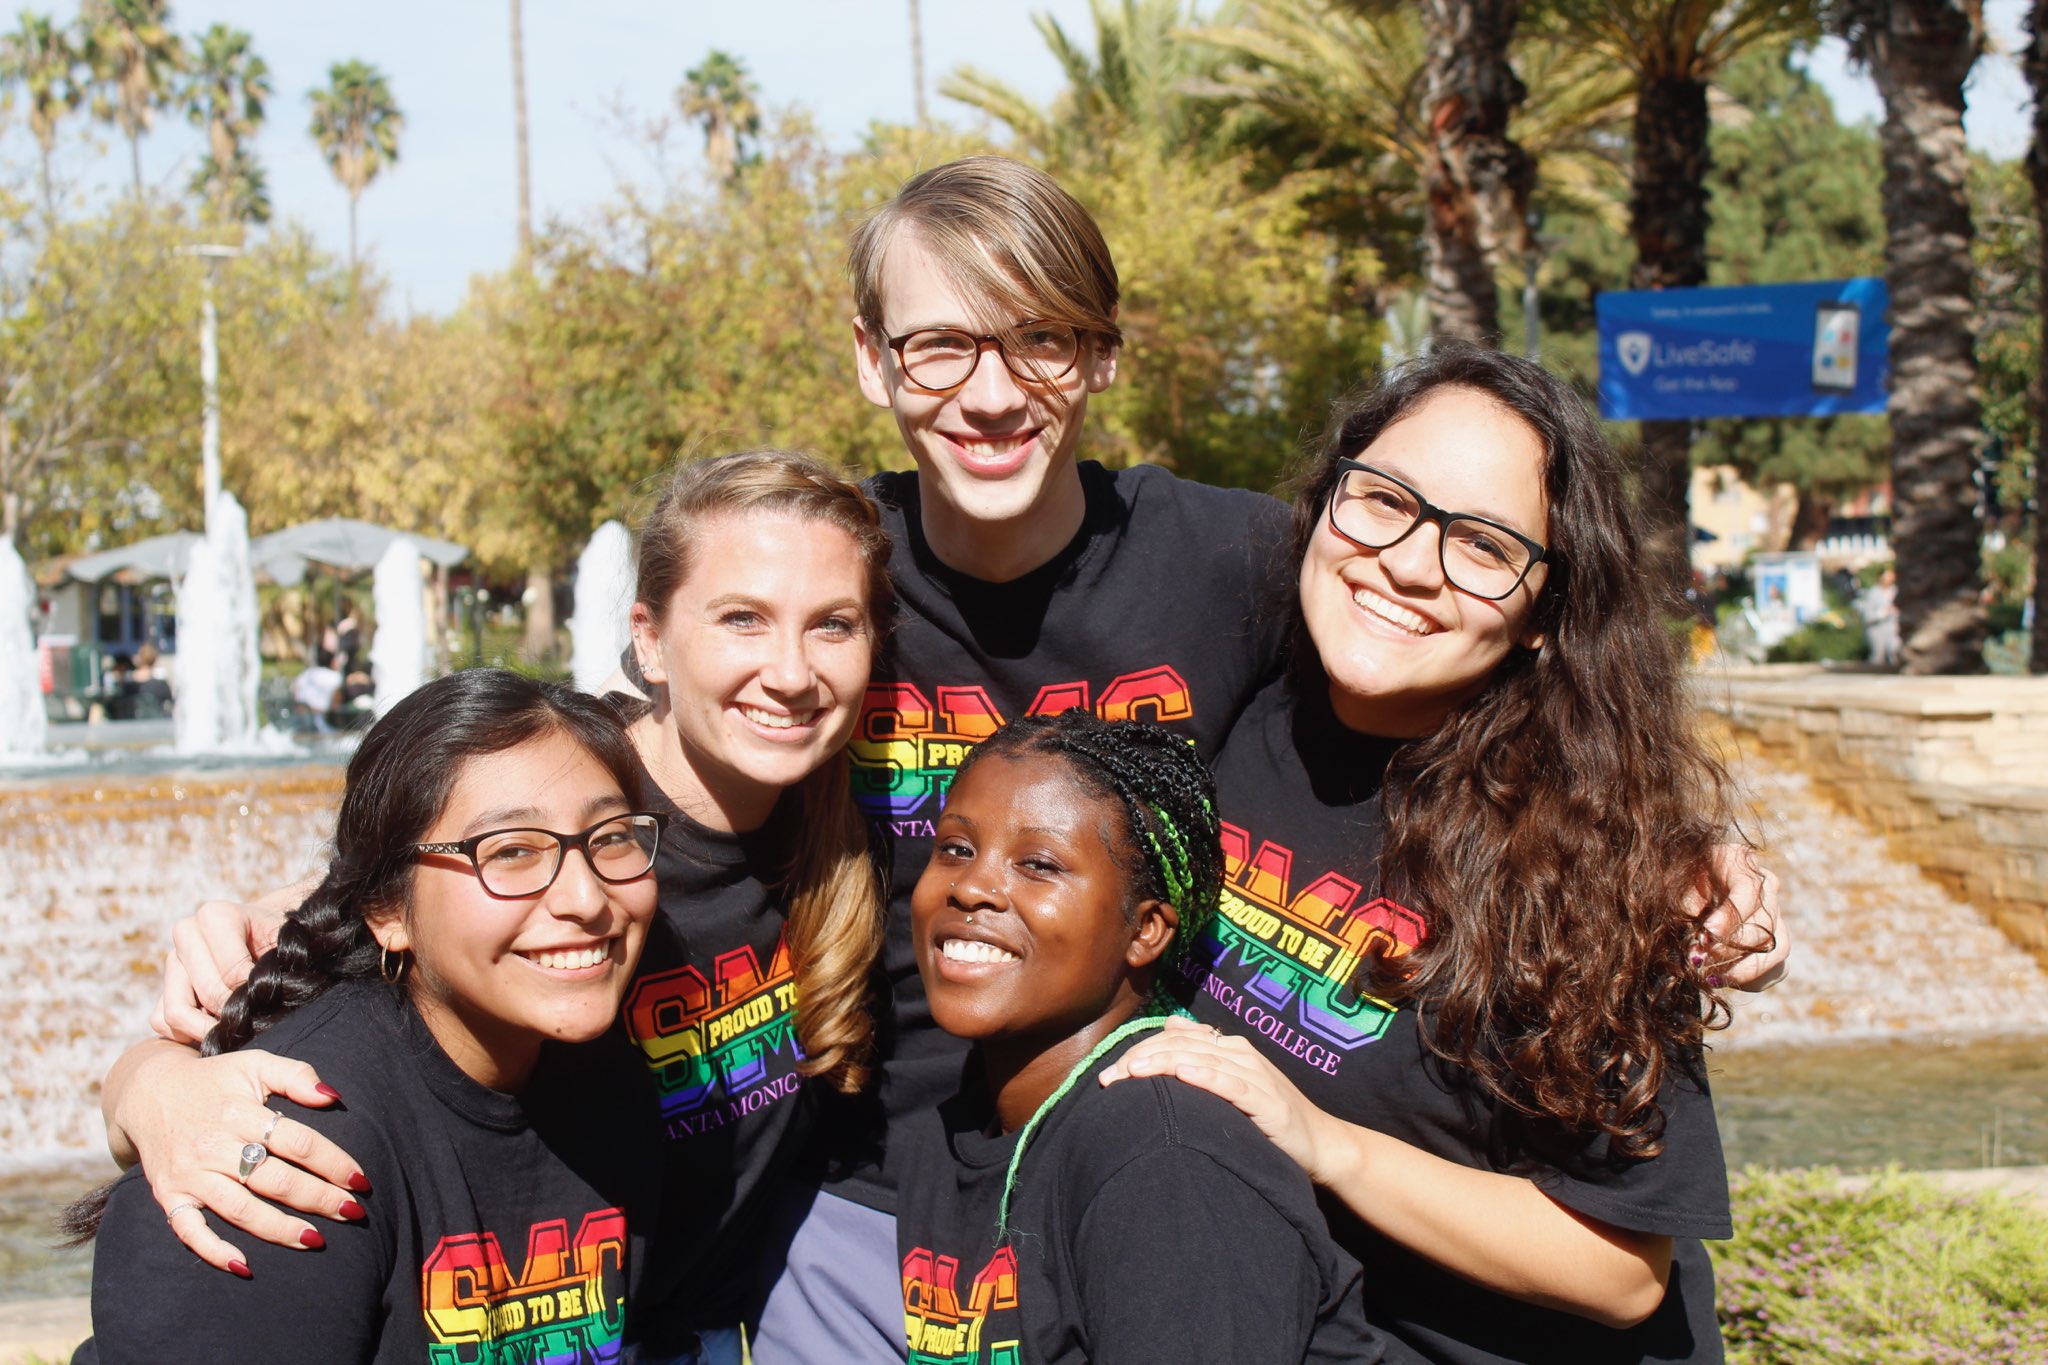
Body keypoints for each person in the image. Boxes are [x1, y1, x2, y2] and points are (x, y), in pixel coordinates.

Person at [95, 451, 892, 1365]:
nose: (789, 672)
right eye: (742, 618)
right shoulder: (556, 792)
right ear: (650, 637)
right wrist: (149, 1086)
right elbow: (310, 959)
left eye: (833, 624)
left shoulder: (843, 837)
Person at [1102, 343, 1753, 1363]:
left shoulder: (1590, 855)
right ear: (1324, 500)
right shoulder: (1233, 710)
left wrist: (1324, 1145)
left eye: (1483, 546)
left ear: (1546, 612)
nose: (1407, 563)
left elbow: (1624, 1272)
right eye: (1383, 499)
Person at [70, 668, 665, 1363]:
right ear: (386, 910)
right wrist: (144, 1076)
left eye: (612, 836)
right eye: (511, 851)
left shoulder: (613, 1086)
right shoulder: (275, 1159)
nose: (587, 898)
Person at [895, 710, 1396, 1364]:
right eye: (957, 848)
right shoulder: (950, 1128)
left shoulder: (1166, 1162)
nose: (971, 886)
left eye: (1038, 863)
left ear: (1145, 930)